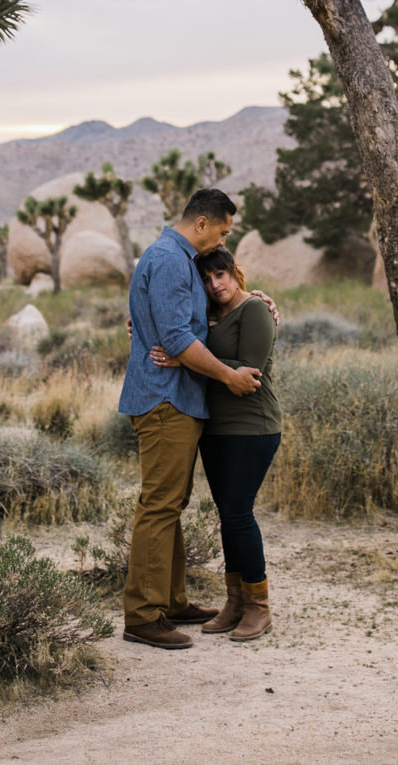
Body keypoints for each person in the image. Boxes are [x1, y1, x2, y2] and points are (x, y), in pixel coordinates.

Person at [116, 187, 259, 650]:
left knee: (170, 505)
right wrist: (229, 376)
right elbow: (176, 337)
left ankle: (171, 602)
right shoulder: (172, 260)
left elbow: (191, 323)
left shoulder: (174, 259)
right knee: (159, 505)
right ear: (202, 224)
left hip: (175, 399)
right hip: (165, 401)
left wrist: (254, 300)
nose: (222, 241)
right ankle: (143, 615)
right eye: (222, 231)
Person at [153, 245, 280, 640]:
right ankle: (235, 602)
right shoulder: (209, 316)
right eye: (206, 280)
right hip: (216, 429)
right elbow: (178, 332)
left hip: (253, 426)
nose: (214, 285)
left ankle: (259, 606)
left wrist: (186, 359)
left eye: (220, 275)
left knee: (239, 513)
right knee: (228, 516)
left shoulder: (255, 310)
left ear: (234, 272)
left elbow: (247, 375)